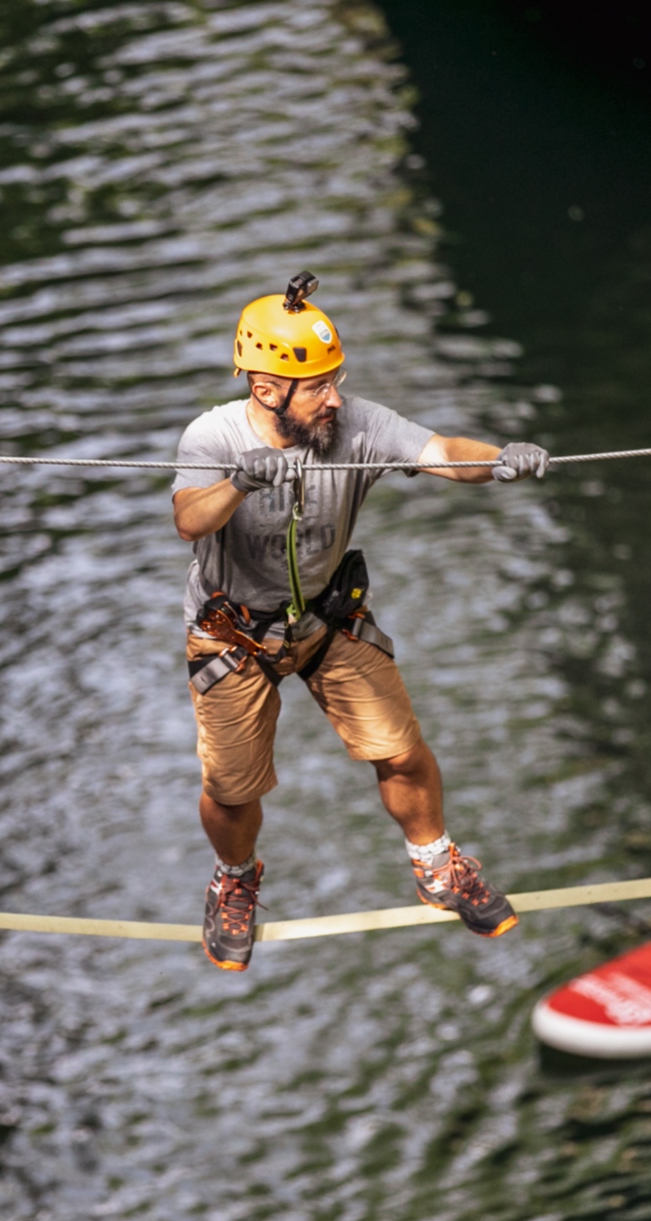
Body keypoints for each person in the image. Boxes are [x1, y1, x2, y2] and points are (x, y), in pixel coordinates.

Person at [171, 272, 550, 971]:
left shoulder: (358, 426)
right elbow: (188, 519)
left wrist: (498, 462)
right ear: (266, 390)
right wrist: (239, 482)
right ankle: (236, 879)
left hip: (325, 620)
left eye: (334, 380)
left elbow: (440, 453)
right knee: (231, 789)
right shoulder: (213, 434)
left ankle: (435, 862)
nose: (334, 398)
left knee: (401, 750)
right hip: (235, 632)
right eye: (318, 386)